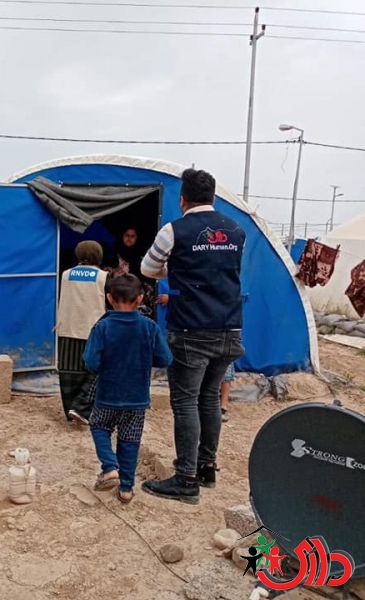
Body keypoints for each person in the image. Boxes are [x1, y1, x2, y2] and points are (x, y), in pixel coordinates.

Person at [140, 167, 245, 504]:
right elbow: (224, 269)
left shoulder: (174, 230)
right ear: (213, 197)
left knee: (185, 402)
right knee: (210, 397)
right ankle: (207, 468)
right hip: (229, 328)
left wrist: (177, 268)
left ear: (182, 200)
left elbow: (147, 269)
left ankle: (186, 480)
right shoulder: (236, 230)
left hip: (191, 329)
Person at [84, 274, 172, 503]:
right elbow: (165, 359)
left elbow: (90, 362)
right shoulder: (150, 327)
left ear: (109, 298)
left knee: (99, 426)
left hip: (107, 395)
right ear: (140, 298)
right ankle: (126, 488)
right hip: (137, 398)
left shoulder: (102, 327)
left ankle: (110, 467)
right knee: (130, 440)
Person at [55, 241, 110, 424]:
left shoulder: (65, 274)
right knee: (95, 371)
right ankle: (80, 408)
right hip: (92, 330)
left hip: (67, 328)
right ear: (98, 255)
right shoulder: (103, 277)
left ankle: (69, 410)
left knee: (69, 372)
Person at [159, 291, 231, 423]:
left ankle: (223, 405)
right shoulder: (226, 277)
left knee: (187, 400)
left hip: (196, 336)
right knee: (210, 394)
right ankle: (221, 408)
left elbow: (195, 298)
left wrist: (172, 299)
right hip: (223, 334)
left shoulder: (197, 278)